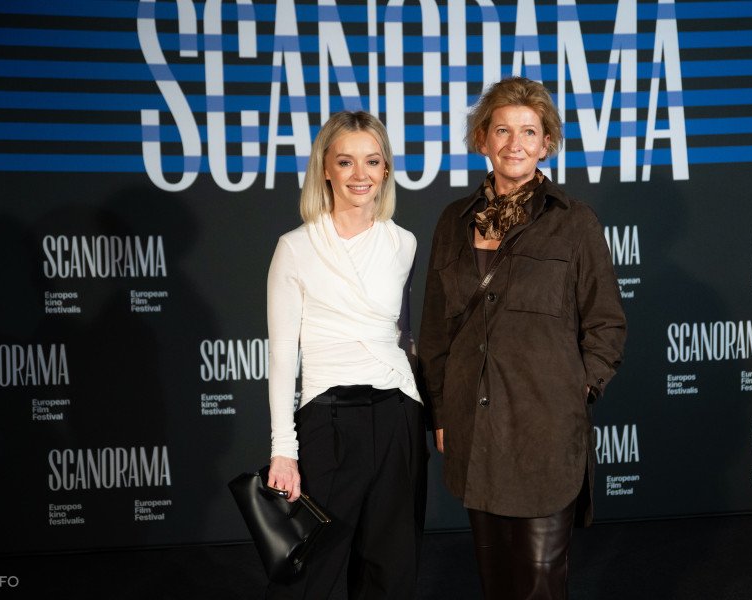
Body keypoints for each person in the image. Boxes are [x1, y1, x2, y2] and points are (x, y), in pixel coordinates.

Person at [418, 76, 627, 599]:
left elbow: (606, 322)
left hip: (545, 434)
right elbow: (436, 329)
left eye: (529, 132)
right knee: (497, 583)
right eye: (502, 130)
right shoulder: (452, 222)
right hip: (475, 428)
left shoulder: (574, 223)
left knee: (539, 584)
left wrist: (578, 389)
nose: (515, 144)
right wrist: (440, 411)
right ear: (483, 139)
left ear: (546, 143)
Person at [265, 111, 426, 599]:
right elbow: (282, 357)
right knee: (316, 571)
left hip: (397, 413)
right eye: (346, 161)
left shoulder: (403, 243)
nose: (361, 174)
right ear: (326, 169)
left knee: (391, 569)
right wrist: (283, 449)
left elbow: (399, 335)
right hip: (327, 419)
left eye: (372, 161)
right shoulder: (295, 248)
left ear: (386, 169)